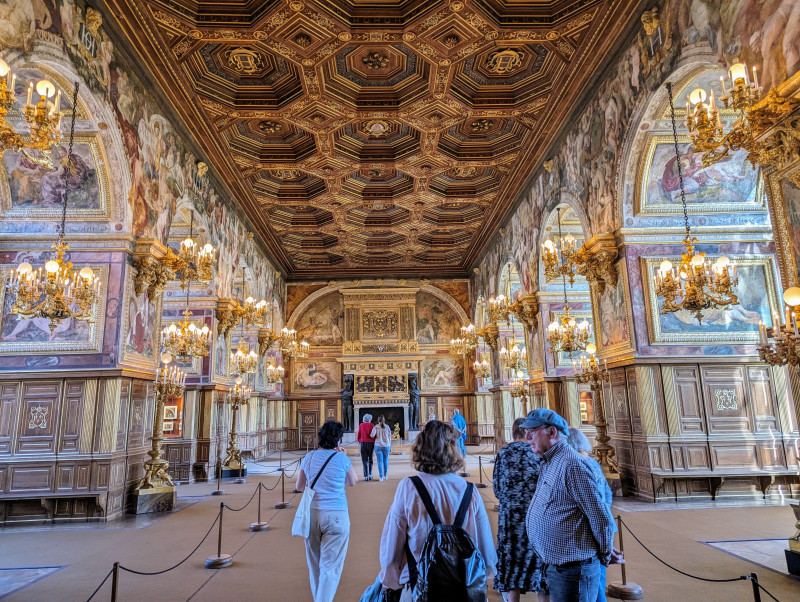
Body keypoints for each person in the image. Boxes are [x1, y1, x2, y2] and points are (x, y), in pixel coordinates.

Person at [379, 420, 497, 597]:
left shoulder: (409, 487)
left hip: (420, 585)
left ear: (420, 448)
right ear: (452, 449)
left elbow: (393, 540)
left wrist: (390, 579)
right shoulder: (469, 491)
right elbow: (484, 545)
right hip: (464, 587)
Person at [522, 409, 622, 602]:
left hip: (574, 569)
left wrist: (604, 553)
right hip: (558, 566)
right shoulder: (550, 461)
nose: (527, 437)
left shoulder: (572, 465)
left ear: (551, 433)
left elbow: (600, 517)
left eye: (532, 431)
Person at [296, 421, 358, 602]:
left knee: (314, 565)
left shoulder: (309, 457)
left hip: (312, 514)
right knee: (331, 567)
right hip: (336, 515)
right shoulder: (342, 459)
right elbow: (352, 482)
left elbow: (299, 487)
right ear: (339, 440)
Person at [493, 418, 547, 602]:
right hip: (537, 517)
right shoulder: (539, 452)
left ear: (515, 431)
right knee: (540, 568)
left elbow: (497, 489)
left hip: (510, 519)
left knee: (511, 567)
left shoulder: (505, 452)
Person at [566, 427, 615, 602]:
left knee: (590, 581)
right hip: (602, 523)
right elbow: (608, 495)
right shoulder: (592, 462)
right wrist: (603, 512)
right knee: (598, 575)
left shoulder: (576, 464)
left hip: (587, 528)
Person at [371, 415, 392, 482]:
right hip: (386, 446)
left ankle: (381, 477)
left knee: (379, 462)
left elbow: (372, 435)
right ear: (384, 420)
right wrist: (390, 446)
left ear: (378, 420)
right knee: (385, 461)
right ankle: (385, 475)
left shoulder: (376, 427)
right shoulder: (387, 427)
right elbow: (389, 438)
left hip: (378, 446)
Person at [357, 414, 376, 481]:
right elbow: (374, 435)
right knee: (370, 459)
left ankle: (366, 476)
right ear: (369, 419)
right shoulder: (372, 425)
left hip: (363, 444)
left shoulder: (361, 425)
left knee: (364, 460)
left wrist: (359, 440)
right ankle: (370, 474)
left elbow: (358, 435)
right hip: (371, 444)